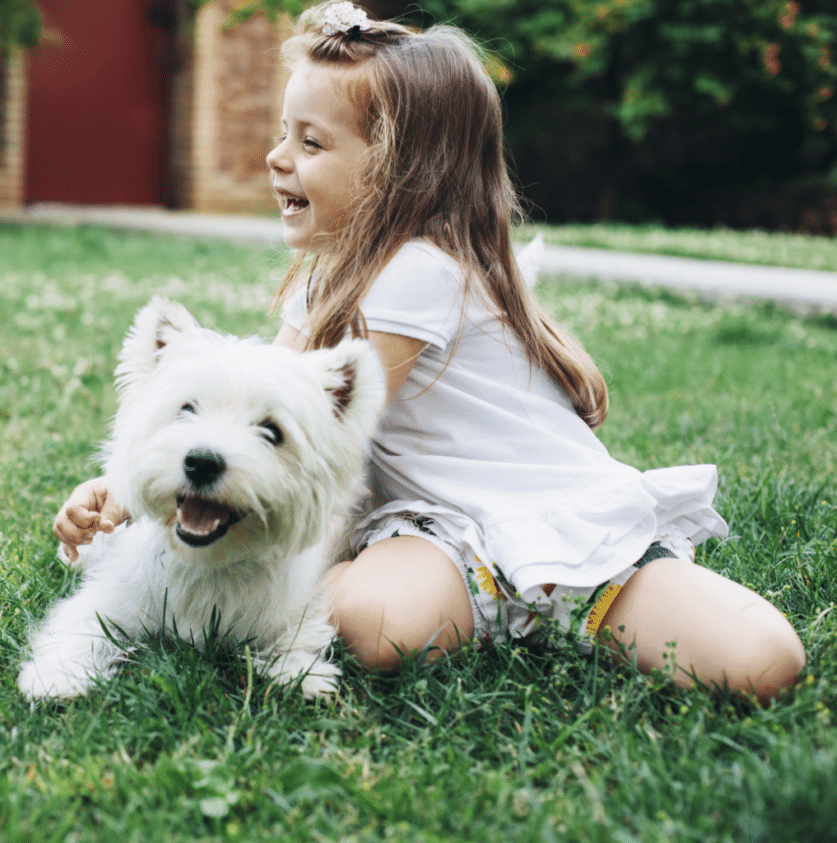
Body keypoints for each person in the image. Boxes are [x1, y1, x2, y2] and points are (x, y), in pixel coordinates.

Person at [53, 1, 805, 704]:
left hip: (556, 521)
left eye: (310, 142)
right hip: (443, 538)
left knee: (764, 661)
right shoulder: (326, 280)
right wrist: (121, 492)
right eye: (285, 132)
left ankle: (567, 605)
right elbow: (253, 403)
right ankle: (489, 609)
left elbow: (314, 438)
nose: (278, 157)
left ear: (398, 169)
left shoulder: (420, 269)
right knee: (373, 625)